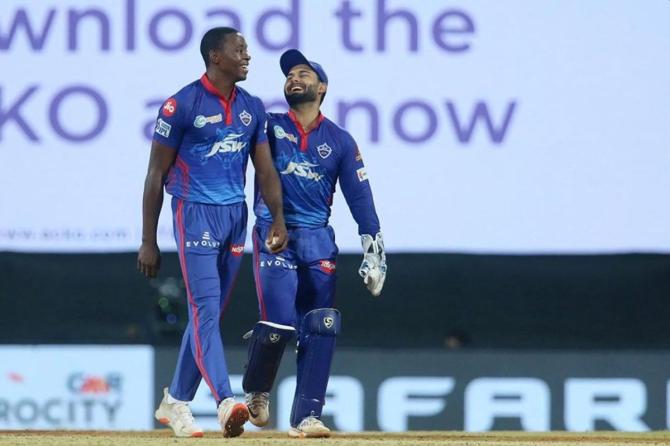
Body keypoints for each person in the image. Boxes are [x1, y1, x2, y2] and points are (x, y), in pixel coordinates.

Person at [137, 27, 288, 438]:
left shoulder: (252, 107)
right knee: (204, 309)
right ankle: (224, 401)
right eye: (239, 50)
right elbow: (155, 175)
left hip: (234, 216)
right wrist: (148, 239)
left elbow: (266, 170)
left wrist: (277, 218)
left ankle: (176, 402)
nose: (248, 56)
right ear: (215, 56)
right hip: (194, 213)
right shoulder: (181, 105)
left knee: (210, 312)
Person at [240, 49, 387, 438]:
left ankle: (307, 416)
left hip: (318, 238)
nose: (293, 78)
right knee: (277, 323)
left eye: (303, 73)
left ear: (321, 88)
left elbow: (359, 195)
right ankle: (257, 390)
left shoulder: (339, 139)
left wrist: (374, 249)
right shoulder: (268, 126)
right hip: (275, 234)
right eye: (289, 75)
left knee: (322, 324)